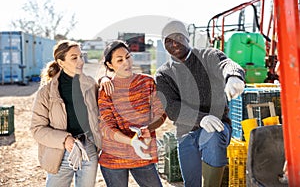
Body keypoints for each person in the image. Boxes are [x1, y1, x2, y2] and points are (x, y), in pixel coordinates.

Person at [154, 20, 245, 187]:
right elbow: (172, 108)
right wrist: (201, 118)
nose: (174, 43)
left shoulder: (208, 56)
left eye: (178, 37)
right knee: (191, 182)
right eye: (168, 40)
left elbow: (226, 64)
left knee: (212, 136)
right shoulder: (163, 74)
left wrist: (234, 76)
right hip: (185, 132)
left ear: (187, 38)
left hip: (218, 125)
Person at [30, 40, 102, 187]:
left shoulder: (91, 85)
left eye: (81, 56)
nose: (81, 61)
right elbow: (37, 129)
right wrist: (65, 140)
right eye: (74, 58)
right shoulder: (46, 92)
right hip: (59, 153)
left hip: (88, 149)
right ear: (61, 62)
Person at [98, 40, 166, 187]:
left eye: (128, 57)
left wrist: (149, 128)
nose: (126, 63)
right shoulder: (106, 90)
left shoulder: (147, 82)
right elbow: (106, 127)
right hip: (114, 157)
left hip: (141, 153)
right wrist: (131, 142)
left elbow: (160, 113)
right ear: (110, 65)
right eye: (120, 60)